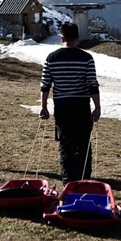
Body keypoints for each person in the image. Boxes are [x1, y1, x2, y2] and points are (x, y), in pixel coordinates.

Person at [39, 23, 101, 185]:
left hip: (62, 106)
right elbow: (92, 84)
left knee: (66, 144)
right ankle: (84, 178)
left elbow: (45, 85)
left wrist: (44, 107)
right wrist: (97, 107)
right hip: (82, 105)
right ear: (78, 38)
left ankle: (68, 180)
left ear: (62, 38)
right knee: (83, 143)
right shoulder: (86, 58)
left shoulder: (51, 58)